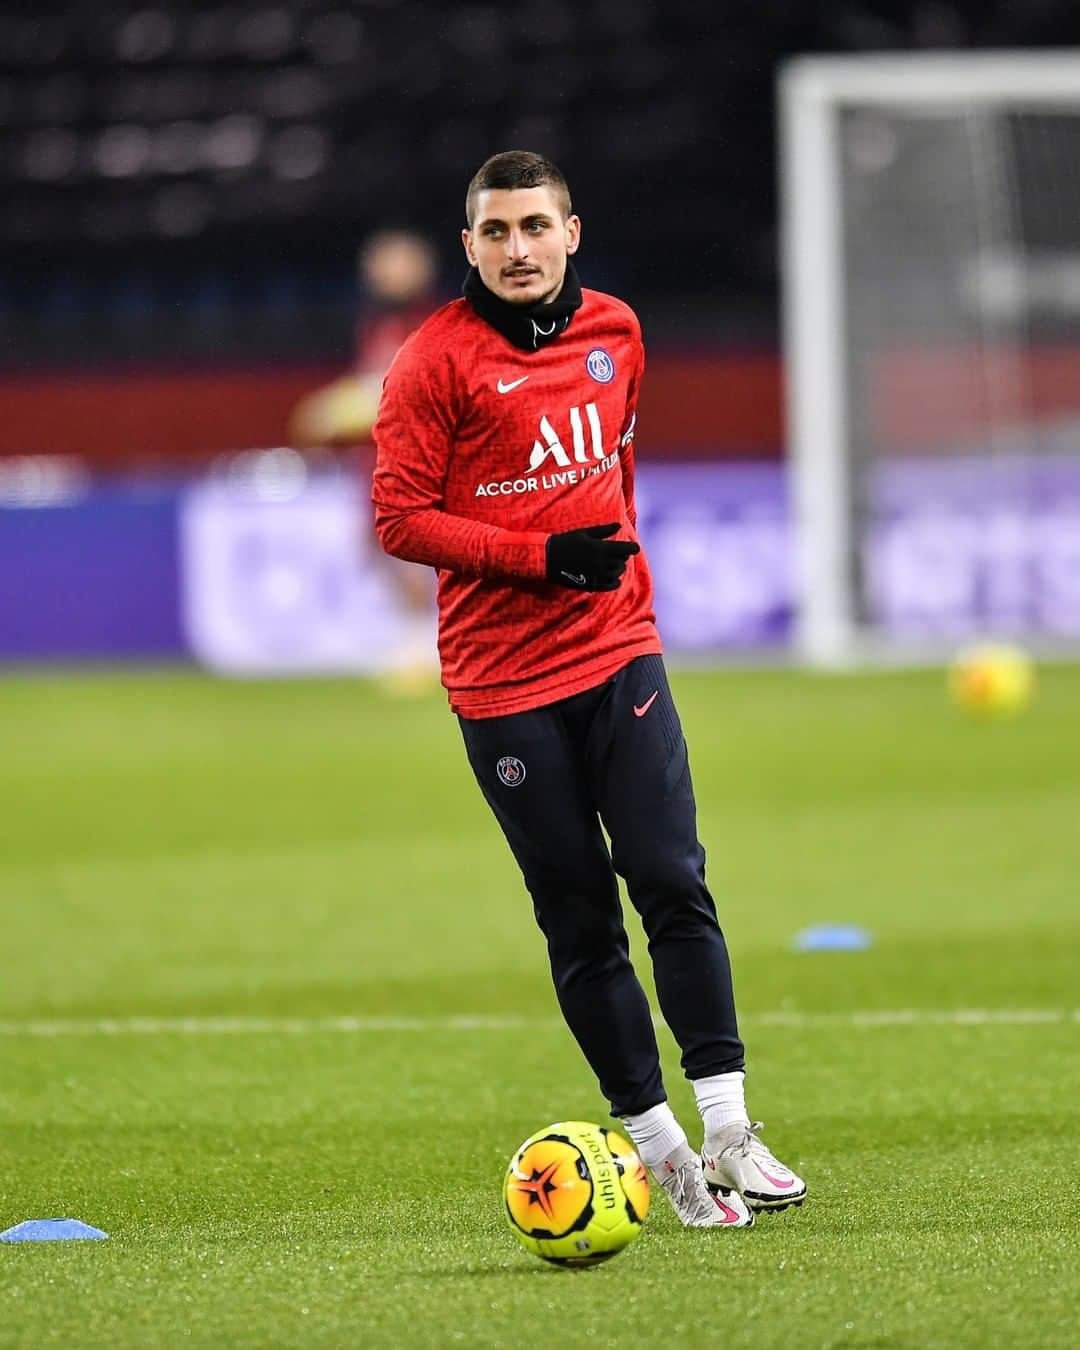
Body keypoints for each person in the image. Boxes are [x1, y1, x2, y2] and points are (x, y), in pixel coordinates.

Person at [372, 150, 806, 1229]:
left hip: (618, 650)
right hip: (502, 682)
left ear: (572, 232)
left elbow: (613, 468)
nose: (518, 249)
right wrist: (539, 556)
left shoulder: (618, 331)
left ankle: (731, 1132)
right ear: (468, 245)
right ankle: (659, 1152)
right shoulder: (432, 365)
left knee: (672, 875)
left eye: (536, 227)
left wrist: (605, 567)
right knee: (579, 915)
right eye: (497, 232)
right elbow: (399, 517)